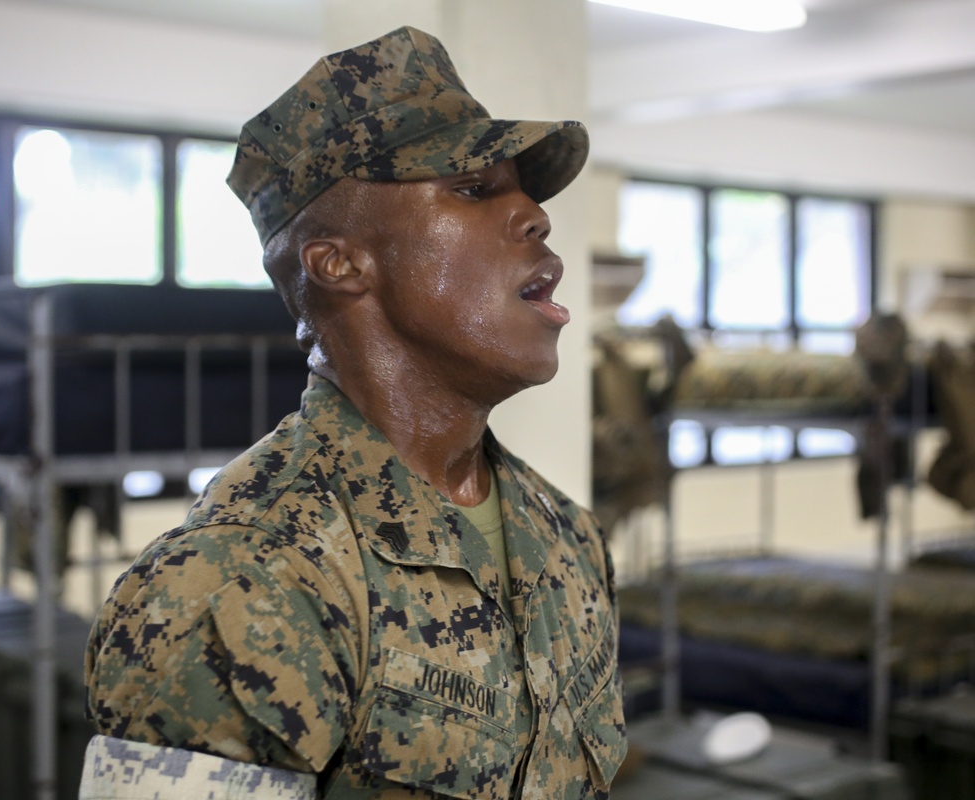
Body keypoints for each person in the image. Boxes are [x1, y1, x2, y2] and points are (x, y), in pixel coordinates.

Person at [80, 25, 626, 800]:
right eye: (474, 189)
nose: (535, 215)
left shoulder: (568, 538)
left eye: (524, 190)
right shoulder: (237, 584)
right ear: (340, 264)